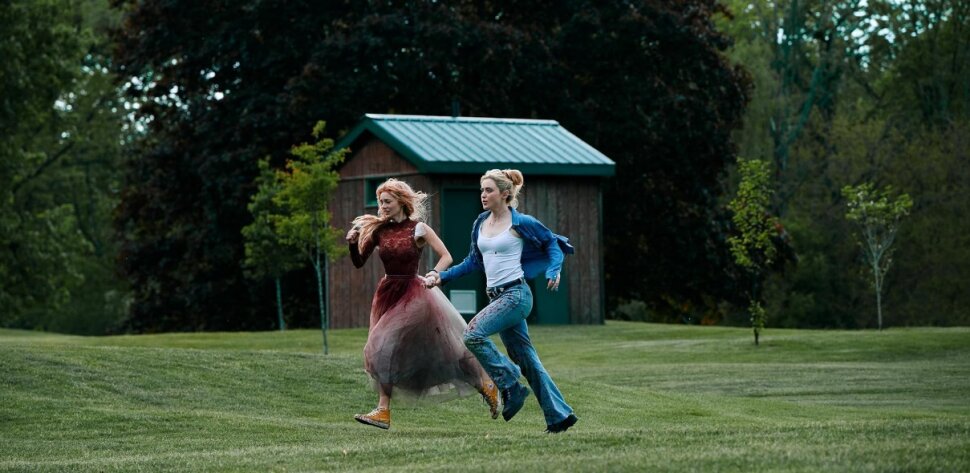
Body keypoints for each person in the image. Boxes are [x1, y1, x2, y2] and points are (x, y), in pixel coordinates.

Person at [425, 169, 579, 434]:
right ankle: (559, 417)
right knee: (527, 359)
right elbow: (473, 261)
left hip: (516, 295)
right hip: (497, 297)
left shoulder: (522, 222)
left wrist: (554, 270)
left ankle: (510, 384)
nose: (483, 195)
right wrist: (441, 276)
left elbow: (552, 244)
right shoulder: (480, 223)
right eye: (482, 190)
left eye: (489, 190)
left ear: (505, 194)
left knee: (472, 334)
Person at [346, 178, 499, 430]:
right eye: (381, 202)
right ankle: (383, 411)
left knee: (384, 346)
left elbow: (446, 256)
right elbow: (359, 262)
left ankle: (485, 383)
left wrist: (434, 274)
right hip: (388, 293)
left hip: (415, 293)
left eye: (387, 202)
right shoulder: (379, 231)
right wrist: (353, 244)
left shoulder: (418, 229)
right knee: (431, 353)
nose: (382, 206)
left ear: (401, 202)